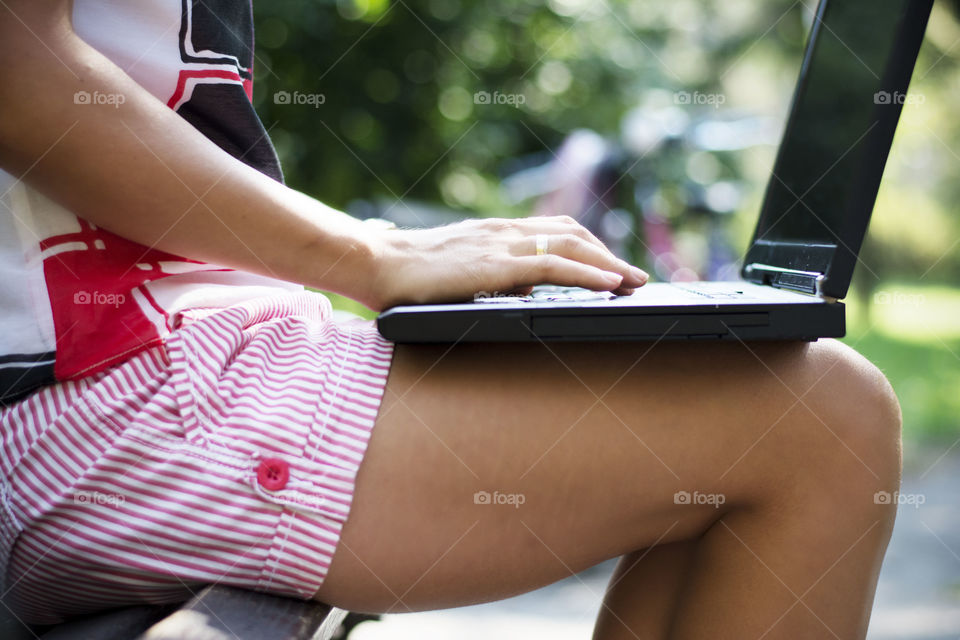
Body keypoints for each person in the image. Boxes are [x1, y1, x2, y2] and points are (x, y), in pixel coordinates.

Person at [0, 1, 901, 638]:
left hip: (172, 355)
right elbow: (15, 65)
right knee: (821, 422)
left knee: (770, 406)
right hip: (88, 387)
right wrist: (369, 254)